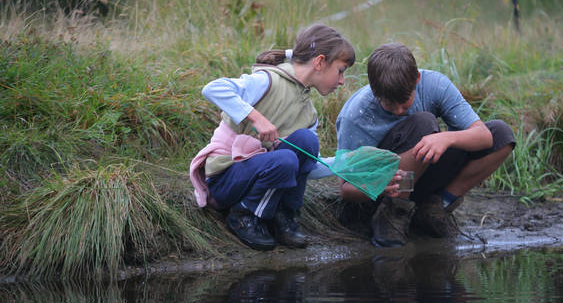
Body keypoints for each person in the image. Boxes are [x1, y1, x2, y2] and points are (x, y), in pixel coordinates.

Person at [190, 24, 355, 251]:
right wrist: (256, 118)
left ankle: (283, 216)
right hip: (225, 180)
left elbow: (308, 164)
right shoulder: (267, 81)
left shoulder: (308, 113)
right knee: (285, 159)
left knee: (307, 141)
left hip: (259, 174)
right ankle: (243, 215)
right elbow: (212, 89)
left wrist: (350, 163)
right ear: (319, 62)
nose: (342, 81)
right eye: (341, 70)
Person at [335, 43, 514, 247]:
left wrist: (447, 138)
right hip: (379, 192)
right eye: (389, 105)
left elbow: (484, 137)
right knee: (424, 123)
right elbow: (345, 189)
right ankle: (393, 214)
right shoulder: (356, 116)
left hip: (421, 176)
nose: (399, 111)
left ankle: (435, 208)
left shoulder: (434, 85)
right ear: (374, 92)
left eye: (405, 102)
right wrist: (377, 185)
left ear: (417, 79)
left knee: (501, 134)